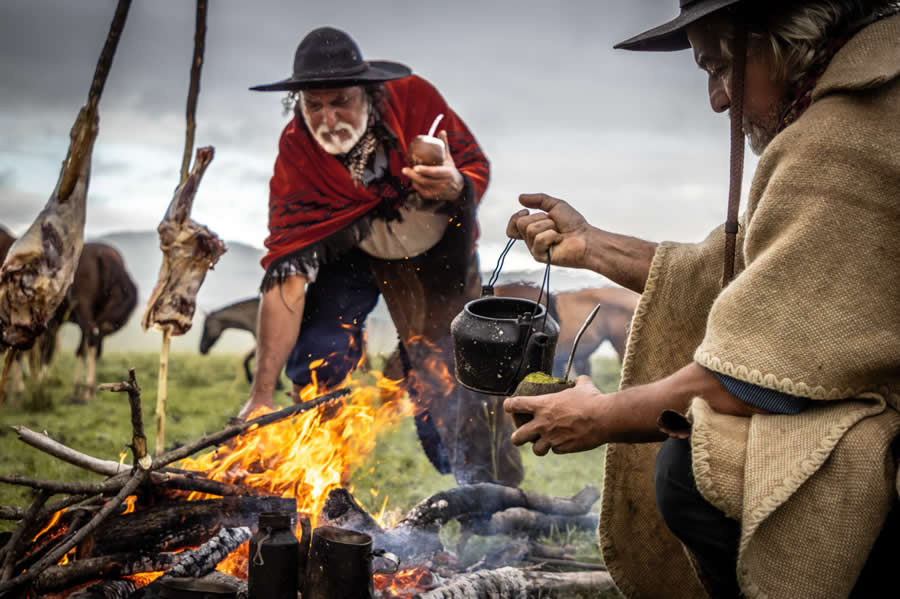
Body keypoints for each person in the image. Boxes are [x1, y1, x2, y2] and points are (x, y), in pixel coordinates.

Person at [504, 1, 900, 597]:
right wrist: (591, 247)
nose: (717, 99)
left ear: (783, 39)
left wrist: (601, 416)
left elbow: (757, 377)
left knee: (692, 470)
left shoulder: (842, 138)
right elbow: (748, 272)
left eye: (719, 67)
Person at [241, 26, 523, 488]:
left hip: (431, 250)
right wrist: (261, 393)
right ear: (298, 107)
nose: (329, 118)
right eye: (315, 106)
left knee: (450, 376)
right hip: (346, 245)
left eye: (341, 102)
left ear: (368, 93)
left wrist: (454, 184)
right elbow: (287, 274)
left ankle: (492, 498)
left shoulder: (416, 101)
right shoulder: (298, 153)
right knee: (318, 354)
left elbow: (473, 166)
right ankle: (325, 491)